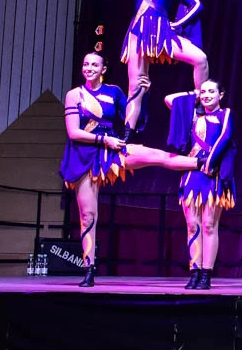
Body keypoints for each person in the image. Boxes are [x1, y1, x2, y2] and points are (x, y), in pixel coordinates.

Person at [60, 52, 203, 287]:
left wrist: (142, 94)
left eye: (95, 64)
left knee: (156, 155)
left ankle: (202, 163)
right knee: (88, 216)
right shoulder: (74, 94)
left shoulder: (113, 92)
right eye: (86, 64)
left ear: (104, 69)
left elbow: (131, 118)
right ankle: (89, 269)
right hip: (84, 155)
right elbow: (73, 132)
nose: (89, 68)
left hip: (112, 149)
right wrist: (104, 140)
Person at [100, 0, 208, 135]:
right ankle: (128, 134)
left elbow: (197, 4)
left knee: (201, 59)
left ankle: (201, 103)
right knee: (136, 86)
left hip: (163, 34)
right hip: (138, 34)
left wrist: (178, 24)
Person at [165, 80, 236, 291]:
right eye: (203, 92)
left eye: (211, 91)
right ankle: (194, 272)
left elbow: (225, 137)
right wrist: (194, 93)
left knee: (208, 225)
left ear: (221, 95)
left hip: (213, 173)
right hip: (192, 173)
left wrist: (210, 162)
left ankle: (206, 274)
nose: (206, 95)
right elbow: (169, 100)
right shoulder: (192, 115)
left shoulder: (225, 114)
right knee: (192, 225)